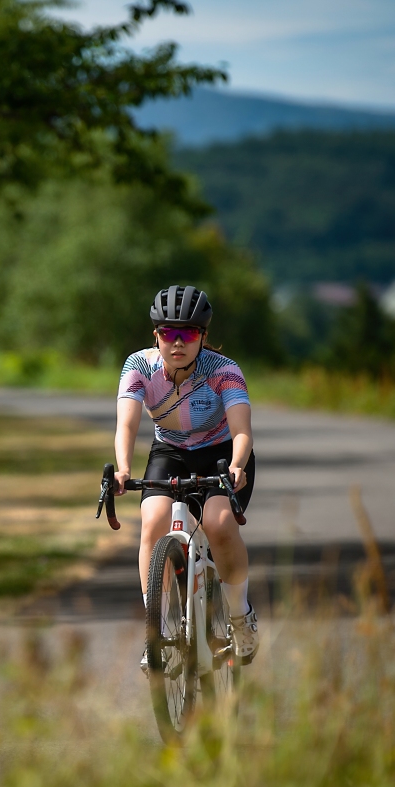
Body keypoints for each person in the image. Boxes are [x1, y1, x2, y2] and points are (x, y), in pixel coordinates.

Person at [114, 285, 259, 670]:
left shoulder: (224, 371)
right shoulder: (138, 367)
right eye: (168, 333)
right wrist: (124, 469)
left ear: (203, 337)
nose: (178, 343)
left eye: (189, 334)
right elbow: (126, 426)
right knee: (153, 522)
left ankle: (240, 615)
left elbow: (242, 430)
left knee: (218, 522)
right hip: (170, 452)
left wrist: (237, 465)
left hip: (222, 454)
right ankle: (157, 632)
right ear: (155, 336)